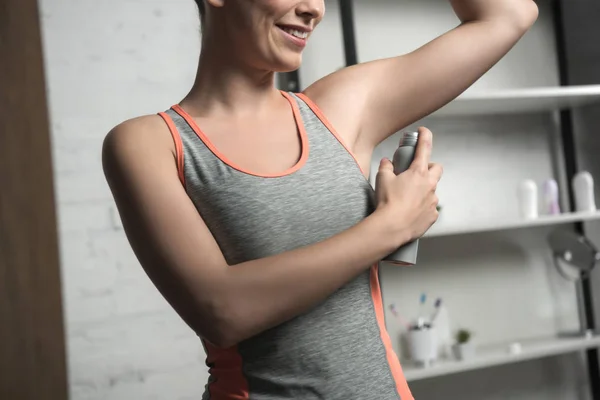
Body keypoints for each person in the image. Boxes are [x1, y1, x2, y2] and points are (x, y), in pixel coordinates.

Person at [102, 0, 538, 398]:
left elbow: (509, 15)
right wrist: (391, 226)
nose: (315, 8)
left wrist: (393, 224)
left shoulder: (342, 108)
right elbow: (222, 310)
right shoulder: (149, 144)